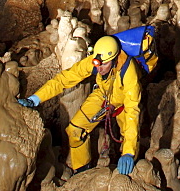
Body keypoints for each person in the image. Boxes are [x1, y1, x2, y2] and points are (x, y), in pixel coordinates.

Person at [18, 31, 155, 176]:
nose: (99, 68)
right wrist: (35, 99)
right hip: (103, 95)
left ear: (114, 59)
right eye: (97, 64)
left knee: (128, 140)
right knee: (75, 130)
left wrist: (128, 152)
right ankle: (82, 172)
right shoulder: (95, 62)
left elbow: (132, 111)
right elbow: (64, 79)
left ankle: (127, 172)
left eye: (104, 64)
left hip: (124, 104)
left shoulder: (129, 74)